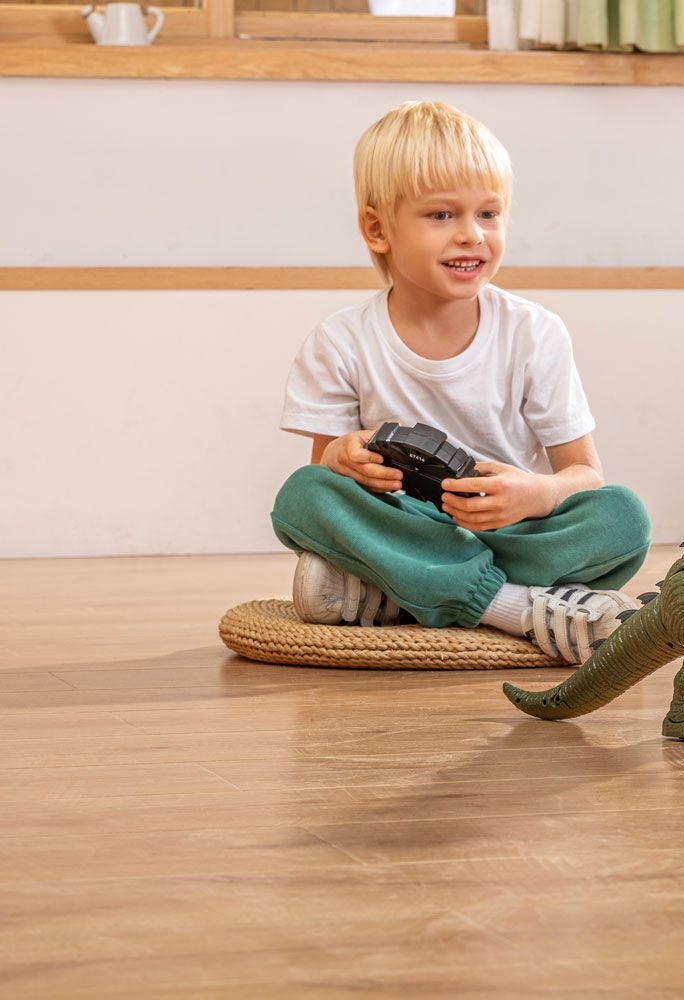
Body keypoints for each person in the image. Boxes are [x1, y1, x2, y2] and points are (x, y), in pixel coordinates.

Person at [270, 100, 651, 664]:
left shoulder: (534, 333)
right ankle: (514, 606)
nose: (471, 236)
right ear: (378, 229)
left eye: (489, 214)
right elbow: (325, 466)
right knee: (302, 496)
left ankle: (399, 590)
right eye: (441, 216)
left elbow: (584, 473)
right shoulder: (341, 341)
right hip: (404, 522)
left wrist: (537, 493)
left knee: (623, 515)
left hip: (511, 531)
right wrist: (343, 458)